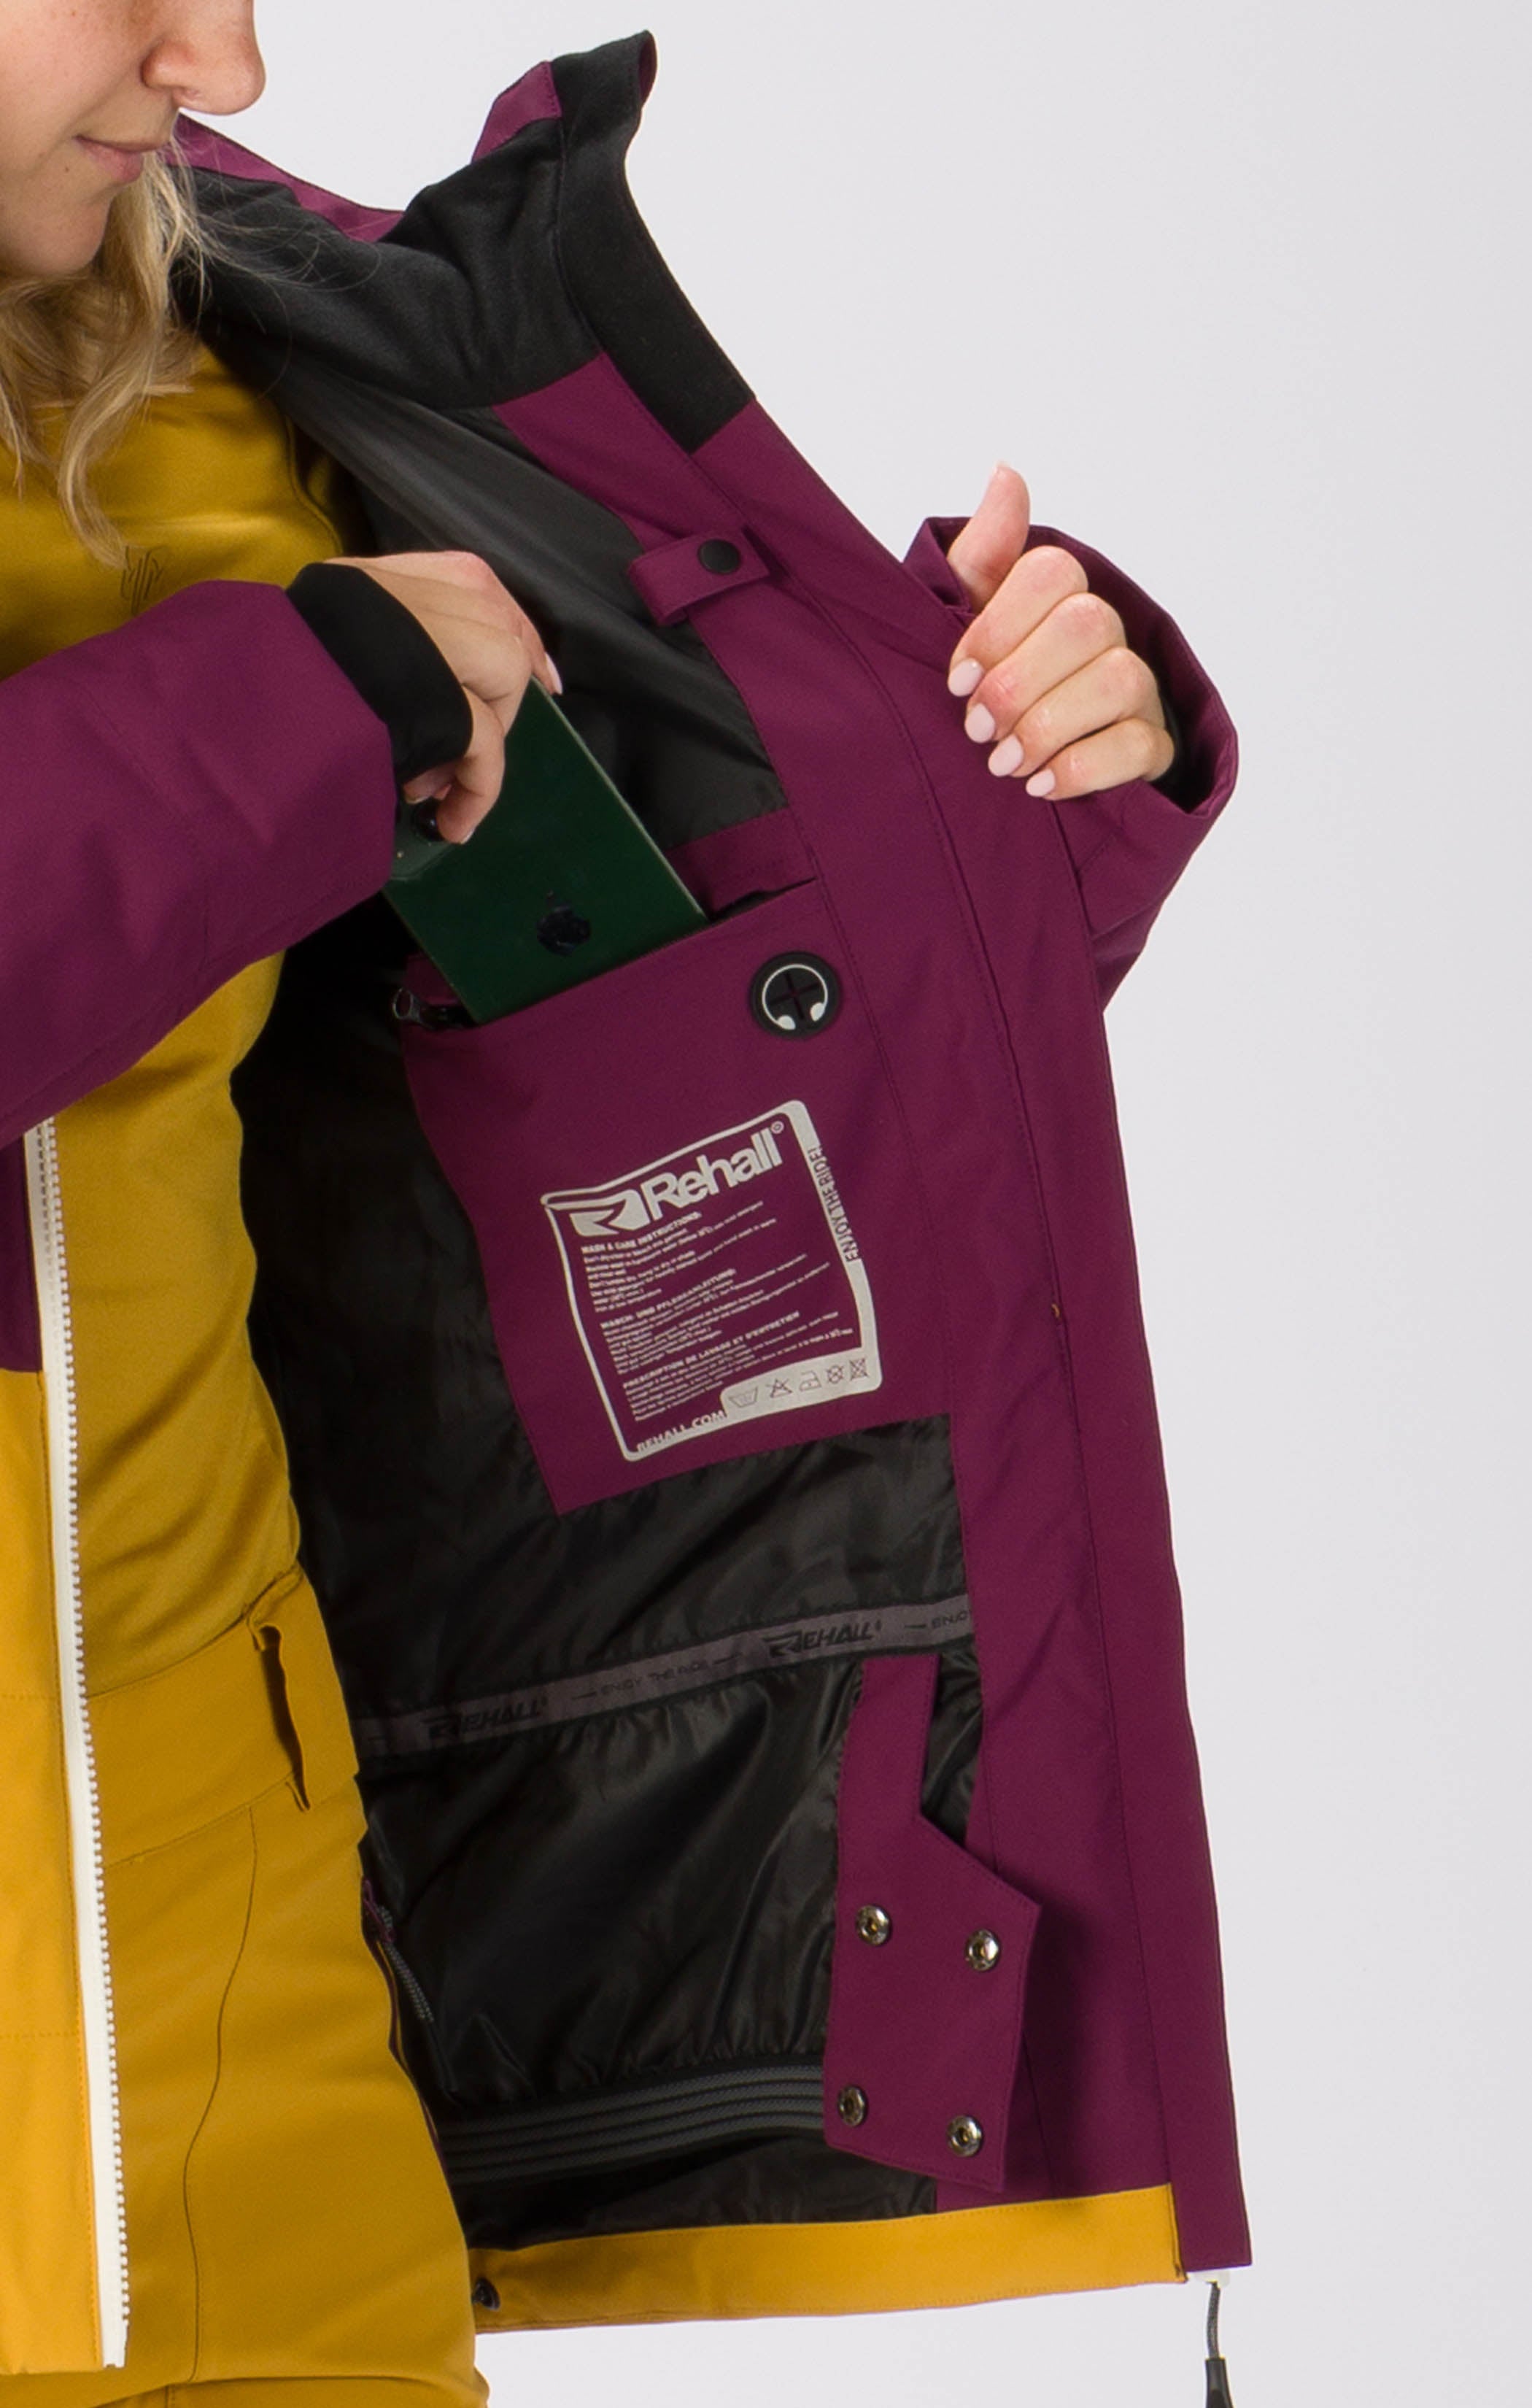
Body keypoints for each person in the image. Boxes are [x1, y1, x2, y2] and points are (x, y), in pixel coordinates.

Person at [0, 3, 1234, 2400]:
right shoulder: (295, 612)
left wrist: (1017, 760)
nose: (225, 63)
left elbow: (667, 1053)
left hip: (233, 2069)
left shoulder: (226, 358)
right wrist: (299, 706)